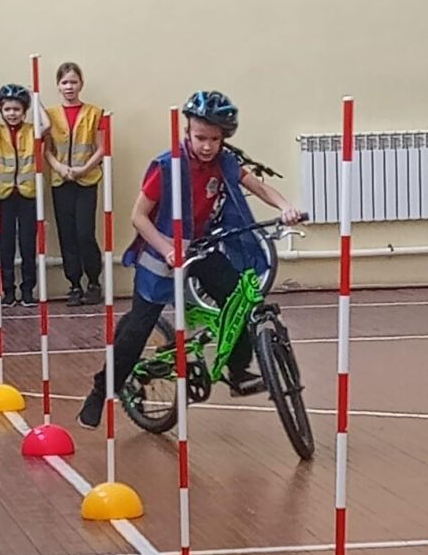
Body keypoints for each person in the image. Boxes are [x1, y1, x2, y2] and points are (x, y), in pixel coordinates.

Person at [77, 90, 303, 430]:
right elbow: (138, 217)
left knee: (240, 297)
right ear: (187, 131)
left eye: (215, 138)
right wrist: (167, 248)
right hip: (160, 254)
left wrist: (285, 206)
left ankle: (239, 371)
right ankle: (100, 392)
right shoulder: (167, 166)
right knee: (137, 330)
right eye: (200, 137)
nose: (208, 145)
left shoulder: (224, 162)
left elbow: (258, 187)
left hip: (201, 248)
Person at [0, 84, 50, 306]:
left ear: (24, 111)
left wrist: (36, 99)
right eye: (7, 109)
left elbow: (47, 125)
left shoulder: (31, 130)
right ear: (1, 111)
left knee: (28, 244)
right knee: (5, 245)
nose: (12, 114)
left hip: (28, 195)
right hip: (3, 196)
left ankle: (28, 290)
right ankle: (8, 290)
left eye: (17, 109)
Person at [45, 62, 105, 306]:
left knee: (84, 233)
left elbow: (102, 148)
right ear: (58, 86)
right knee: (66, 234)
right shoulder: (49, 114)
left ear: (81, 83)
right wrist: (59, 167)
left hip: (87, 179)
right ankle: (74, 284)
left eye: (73, 81)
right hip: (62, 181)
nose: (69, 86)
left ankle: (93, 281)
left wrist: (84, 169)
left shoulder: (95, 113)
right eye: (64, 82)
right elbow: (47, 150)